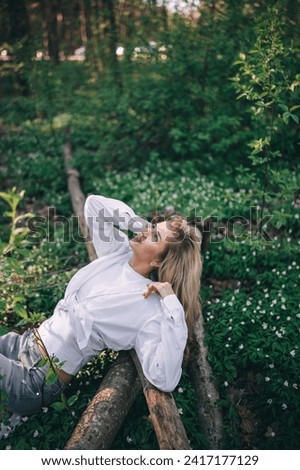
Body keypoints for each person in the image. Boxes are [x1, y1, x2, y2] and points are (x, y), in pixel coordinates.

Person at [0, 194, 202, 417]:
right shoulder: (117, 254)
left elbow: (164, 378)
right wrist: (139, 225)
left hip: (36, 381)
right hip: (22, 344)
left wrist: (171, 303)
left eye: (154, 236)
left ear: (158, 262)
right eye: (152, 226)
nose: (145, 231)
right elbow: (94, 205)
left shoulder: (149, 306)